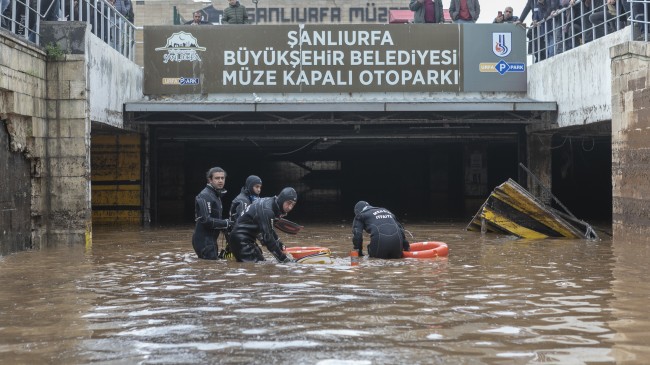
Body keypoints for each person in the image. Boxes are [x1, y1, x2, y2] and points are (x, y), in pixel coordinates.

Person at [229, 187, 297, 263]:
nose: (290, 207)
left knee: (261, 263)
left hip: (243, 239)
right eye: (288, 203)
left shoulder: (270, 203)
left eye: (293, 205)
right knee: (258, 267)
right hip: (241, 241)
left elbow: (269, 230)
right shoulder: (267, 210)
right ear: (282, 199)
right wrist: (284, 259)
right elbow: (268, 238)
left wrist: (281, 246)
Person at [192, 167, 230, 260]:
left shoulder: (216, 195)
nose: (220, 181)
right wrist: (227, 223)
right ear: (210, 180)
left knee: (214, 268)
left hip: (211, 240)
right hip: (204, 242)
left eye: (222, 178)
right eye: (217, 178)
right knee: (210, 269)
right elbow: (206, 220)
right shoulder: (205, 195)